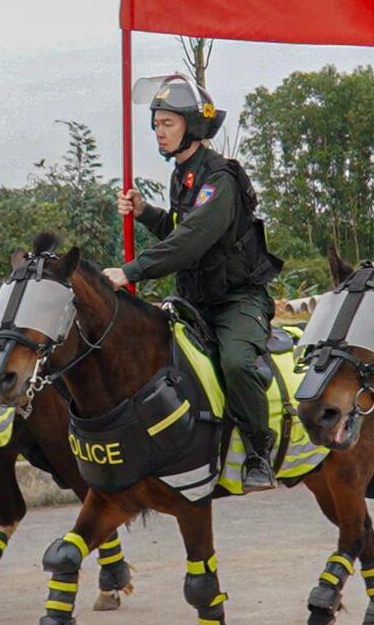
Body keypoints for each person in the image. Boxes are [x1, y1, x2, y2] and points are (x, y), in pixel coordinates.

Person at [108, 75, 284, 491]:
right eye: (155, 124)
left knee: (236, 363)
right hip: (192, 300)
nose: (158, 132)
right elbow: (177, 226)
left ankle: (258, 451)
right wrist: (145, 211)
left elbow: (192, 240)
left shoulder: (220, 178)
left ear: (193, 125)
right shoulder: (181, 176)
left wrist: (130, 271)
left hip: (236, 300)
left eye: (167, 123)